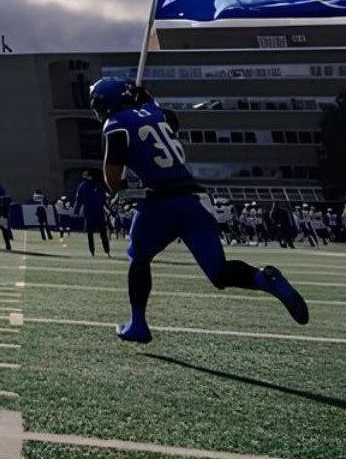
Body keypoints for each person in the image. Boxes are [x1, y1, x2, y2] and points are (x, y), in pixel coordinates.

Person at [89, 77, 309, 343]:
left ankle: (138, 324)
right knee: (219, 271)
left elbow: (112, 176)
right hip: (194, 198)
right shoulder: (160, 113)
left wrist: (122, 190)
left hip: (159, 200)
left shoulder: (114, 125)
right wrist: (147, 100)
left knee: (139, 257)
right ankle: (264, 279)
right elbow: (170, 123)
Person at [73, 169, 111, 257]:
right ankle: (105, 251)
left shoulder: (83, 186)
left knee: (92, 233)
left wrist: (76, 211)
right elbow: (103, 199)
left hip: (91, 212)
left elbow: (79, 200)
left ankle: (95, 251)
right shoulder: (97, 185)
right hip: (96, 212)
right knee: (101, 233)